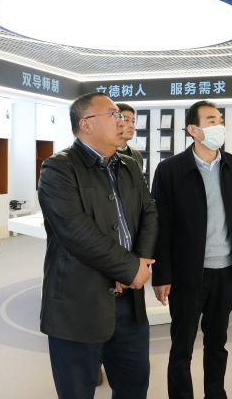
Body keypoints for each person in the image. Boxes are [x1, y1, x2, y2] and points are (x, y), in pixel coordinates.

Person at [38, 93, 158, 399]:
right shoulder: (58, 168)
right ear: (86, 124)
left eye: (122, 115)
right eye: (114, 115)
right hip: (79, 305)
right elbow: (76, 231)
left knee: (134, 387)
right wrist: (129, 268)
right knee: (77, 392)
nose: (123, 121)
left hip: (129, 306)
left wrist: (140, 261)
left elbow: (149, 212)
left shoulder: (129, 165)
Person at [151, 100, 232, 399]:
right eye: (211, 120)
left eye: (220, 119)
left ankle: (215, 394)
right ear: (193, 129)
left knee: (217, 344)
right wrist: (161, 274)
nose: (219, 125)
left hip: (225, 271)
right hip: (187, 274)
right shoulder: (170, 169)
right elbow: (161, 226)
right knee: (182, 347)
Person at [116, 102, 144, 170]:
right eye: (126, 120)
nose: (131, 126)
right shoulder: (105, 153)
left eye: (133, 121)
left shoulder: (136, 154)